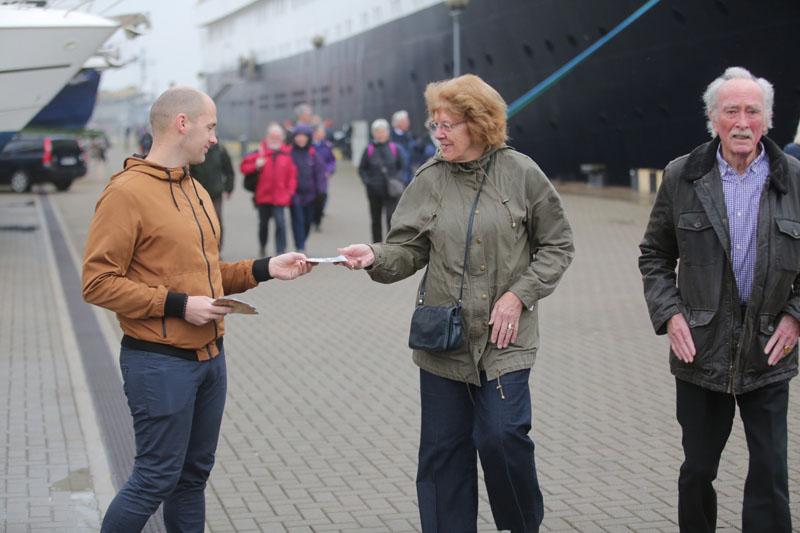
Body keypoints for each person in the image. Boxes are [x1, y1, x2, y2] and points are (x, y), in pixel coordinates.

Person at [337, 74, 574, 532]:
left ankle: (522, 526)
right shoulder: (428, 179)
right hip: (444, 339)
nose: (439, 134)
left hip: (506, 338)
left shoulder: (522, 173)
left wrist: (519, 296)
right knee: (444, 453)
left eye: (449, 125)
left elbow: (558, 245)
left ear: (480, 124)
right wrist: (374, 256)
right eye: (434, 125)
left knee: (502, 438)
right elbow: (408, 249)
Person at [82, 86, 314, 532]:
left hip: (211, 361)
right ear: (181, 124)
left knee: (191, 481)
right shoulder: (125, 193)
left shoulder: (196, 188)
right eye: (210, 127)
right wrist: (177, 305)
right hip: (159, 364)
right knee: (153, 481)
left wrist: (267, 268)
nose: (214, 138)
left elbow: (205, 275)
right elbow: (97, 283)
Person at [638, 66, 800, 533]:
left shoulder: (794, 179)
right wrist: (670, 315)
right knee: (698, 471)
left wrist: (794, 318)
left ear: (768, 120)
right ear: (714, 119)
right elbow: (654, 255)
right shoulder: (682, 176)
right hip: (701, 349)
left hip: (770, 348)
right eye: (732, 111)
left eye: (753, 111)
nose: (743, 122)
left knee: (770, 471)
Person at [240, 122, 297, 257]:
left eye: (277, 137)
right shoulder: (259, 153)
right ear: (267, 137)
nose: (274, 139)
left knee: (281, 225)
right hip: (263, 197)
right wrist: (256, 165)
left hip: (280, 198)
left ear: (282, 138)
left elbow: (292, 177)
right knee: (263, 225)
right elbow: (243, 168)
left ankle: (280, 251)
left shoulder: (287, 155)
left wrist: (289, 193)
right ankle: (262, 245)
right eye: (272, 136)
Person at [357, 118, 404, 243]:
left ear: (388, 132)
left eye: (383, 131)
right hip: (374, 191)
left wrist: (398, 180)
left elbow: (403, 167)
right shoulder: (369, 150)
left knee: (391, 219)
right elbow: (362, 169)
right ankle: (376, 247)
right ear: (373, 133)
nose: (381, 134)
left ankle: (390, 246)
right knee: (375, 220)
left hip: (391, 191)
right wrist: (368, 182)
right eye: (378, 132)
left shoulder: (395, 149)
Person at [287, 123, 326, 252]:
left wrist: (321, 191)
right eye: (299, 136)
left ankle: (302, 242)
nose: (301, 139)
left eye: (304, 136)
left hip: (310, 195)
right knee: (297, 221)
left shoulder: (313, 154)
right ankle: (300, 247)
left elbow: (320, 174)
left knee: (308, 223)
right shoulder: (289, 154)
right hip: (295, 195)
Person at [189, 142, 234, 249]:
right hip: (197, 192)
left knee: (216, 220)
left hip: (216, 192)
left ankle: (218, 248)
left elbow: (229, 170)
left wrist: (229, 188)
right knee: (198, 220)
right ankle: (200, 247)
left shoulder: (220, 150)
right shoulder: (195, 149)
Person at [311, 122, 336, 231]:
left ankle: (317, 221)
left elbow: (332, 160)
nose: (324, 134)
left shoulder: (326, 146)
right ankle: (310, 220)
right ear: (315, 133)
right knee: (310, 200)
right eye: (322, 132)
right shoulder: (308, 146)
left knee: (321, 199)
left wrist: (329, 171)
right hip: (310, 178)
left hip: (322, 178)